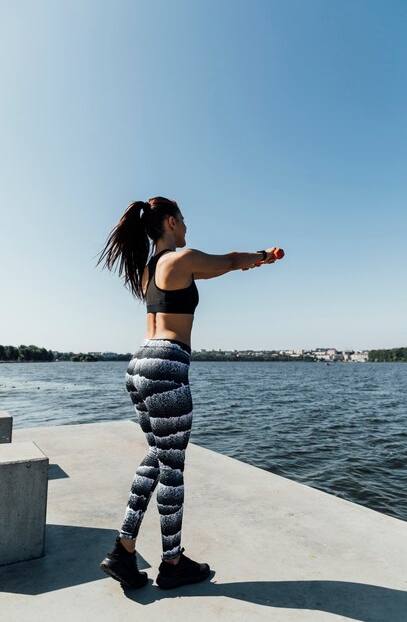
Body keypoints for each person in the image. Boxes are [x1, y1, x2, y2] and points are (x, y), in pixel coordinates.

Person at [96, 196, 280, 590]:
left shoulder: (148, 270)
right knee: (173, 471)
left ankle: (123, 551)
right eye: (184, 220)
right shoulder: (180, 259)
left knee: (158, 460)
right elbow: (230, 260)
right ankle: (172, 562)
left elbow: (224, 266)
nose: (187, 227)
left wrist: (247, 261)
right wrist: (264, 255)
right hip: (166, 368)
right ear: (171, 222)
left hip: (138, 366)